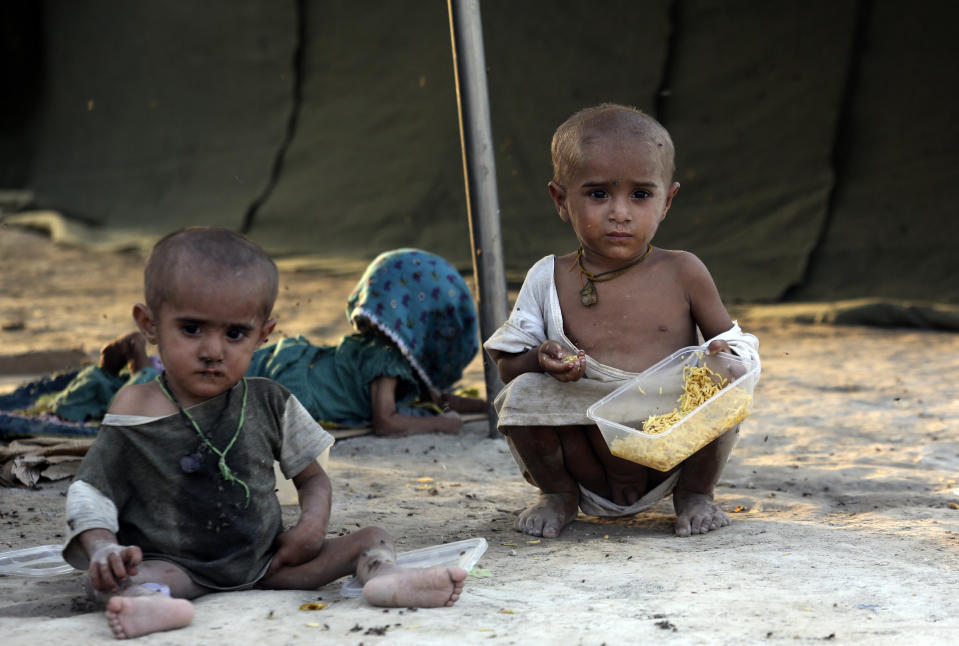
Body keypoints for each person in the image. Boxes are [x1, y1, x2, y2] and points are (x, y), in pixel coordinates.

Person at [63, 228, 467, 640]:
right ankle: (149, 604)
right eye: (191, 329)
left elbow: (312, 479)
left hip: (269, 562)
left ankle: (387, 578)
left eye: (234, 334)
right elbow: (92, 489)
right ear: (149, 325)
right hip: (176, 566)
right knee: (108, 580)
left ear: (263, 334)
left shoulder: (270, 400)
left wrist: (311, 527)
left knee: (374, 537)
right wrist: (103, 549)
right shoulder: (134, 407)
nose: (213, 350)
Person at [483, 104, 760, 540]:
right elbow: (508, 365)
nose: (620, 213)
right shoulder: (548, 277)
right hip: (583, 449)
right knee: (521, 394)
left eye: (640, 195)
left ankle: (696, 493)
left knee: (723, 377)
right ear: (561, 200)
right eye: (597, 194)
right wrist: (541, 357)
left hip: (670, 449)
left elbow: (737, 345)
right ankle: (557, 494)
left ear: (667, 201)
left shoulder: (684, 271)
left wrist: (726, 355)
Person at [44, 248, 486, 437]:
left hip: (293, 364)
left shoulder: (387, 354)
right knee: (192, 394)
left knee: (205, 375)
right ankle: (141, 361)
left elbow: (439, 398)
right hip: (293, 386)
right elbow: (387, 422)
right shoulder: (386, 362)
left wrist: (486, 407)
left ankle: (150, 362)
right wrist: (443, 424)